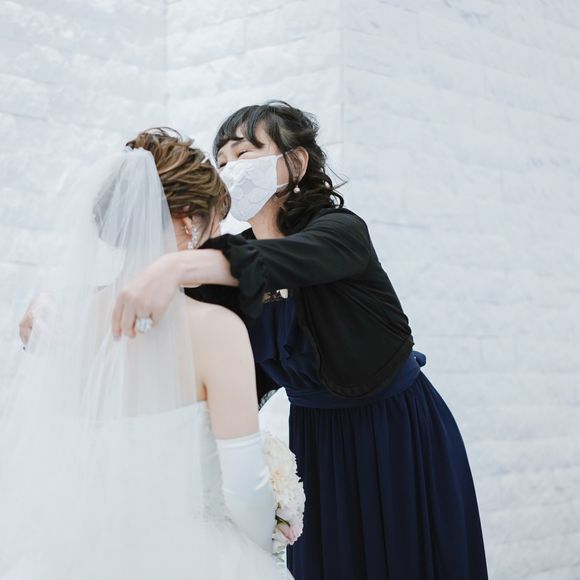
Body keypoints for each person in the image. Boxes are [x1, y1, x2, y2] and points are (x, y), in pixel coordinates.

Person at [101, 101, 490, 580]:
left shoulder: (341, 233)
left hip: (394, 433)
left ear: (297, 162)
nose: (230, 169)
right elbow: (149, 288)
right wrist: (67, 304)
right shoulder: (225, 263)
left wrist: (175, 266)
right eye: (221, 161)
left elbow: (280, 260)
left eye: (244, 153)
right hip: (317, 441)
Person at [5, 129, 289, 580]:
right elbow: (245, 486)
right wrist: (259, 551)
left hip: (83, 550)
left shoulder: (65, 321)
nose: (216, 242)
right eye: (215, 227)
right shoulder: (215, 329)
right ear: (189, 223)